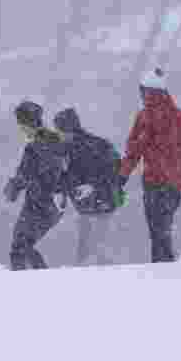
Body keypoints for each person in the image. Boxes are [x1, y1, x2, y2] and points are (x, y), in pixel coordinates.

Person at [117, 68, 181, 263]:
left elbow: (135, 149)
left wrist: (122, 175)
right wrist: (179, 178)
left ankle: (161, 271)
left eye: (142, 90)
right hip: (174, 185)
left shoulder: (146, 116)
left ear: (146, 90)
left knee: (157, 233)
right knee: (164, 230)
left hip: (155, 183)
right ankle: (166, 268)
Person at [53, 107, 126, 266]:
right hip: (86, 207)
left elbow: (116, 172)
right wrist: (59, 192)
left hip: (103, 204)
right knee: (85, 251)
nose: (58, 134)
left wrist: (93, 186)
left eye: (60, 130)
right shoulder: (65, 149)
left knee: (97, 250)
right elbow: (66, 177)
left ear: (69, 128)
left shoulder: (95, 145)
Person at [3, 101, 69, 271]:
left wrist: (13, 187)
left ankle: (32, 281)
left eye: (21, 123)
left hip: (41, 202)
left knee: (19, 247)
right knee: (23, 245)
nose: (20, 128)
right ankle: (38, 279)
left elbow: (26, 173)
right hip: (54, 203)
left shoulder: (37, 145)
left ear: (27, 123)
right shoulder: (55, 140)